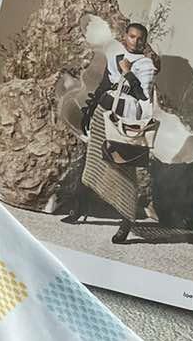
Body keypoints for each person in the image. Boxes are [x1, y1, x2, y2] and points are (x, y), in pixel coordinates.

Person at [61, 21, 159, 243]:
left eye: (140, 38)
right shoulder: (115, 55)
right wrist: (89, 113)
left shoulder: (146, 66)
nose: (135, 41)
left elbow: (144, 99)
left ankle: (127, 220)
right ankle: (79, 208)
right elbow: (104, 86)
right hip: (102, 115)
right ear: (125, 37)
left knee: (123, 171)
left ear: (145, 42)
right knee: (91, 162)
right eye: (132, 36)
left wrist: (128, 73)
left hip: (123, 122)